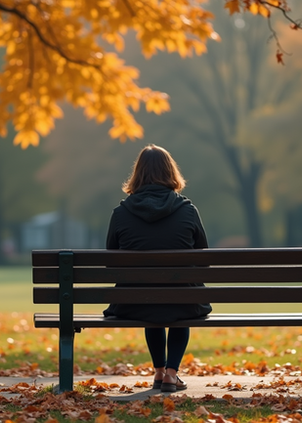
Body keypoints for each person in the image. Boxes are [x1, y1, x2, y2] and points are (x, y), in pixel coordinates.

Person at [103, 144, 212, 393]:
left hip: (134, 301)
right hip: (183, 300)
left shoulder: (121, 213)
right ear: (171, 172)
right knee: (181, 301)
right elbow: (204, 260)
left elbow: (110, 263)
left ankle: (159, 371)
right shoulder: (187, 210)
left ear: (137, 174)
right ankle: (171, 375)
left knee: (151, 301)